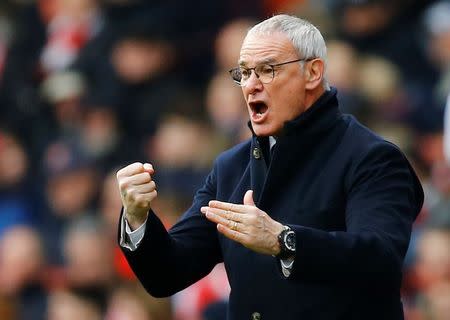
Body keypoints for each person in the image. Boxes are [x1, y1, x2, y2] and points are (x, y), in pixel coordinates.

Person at [116, 14, 423, 319]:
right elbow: (168, 273)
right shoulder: (231, 168)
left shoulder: (372, 157)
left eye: (267, 70)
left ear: (313, 72)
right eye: (245, 73)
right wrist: (137, 216)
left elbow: (380, 259)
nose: (251, 85)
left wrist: (284, 240)